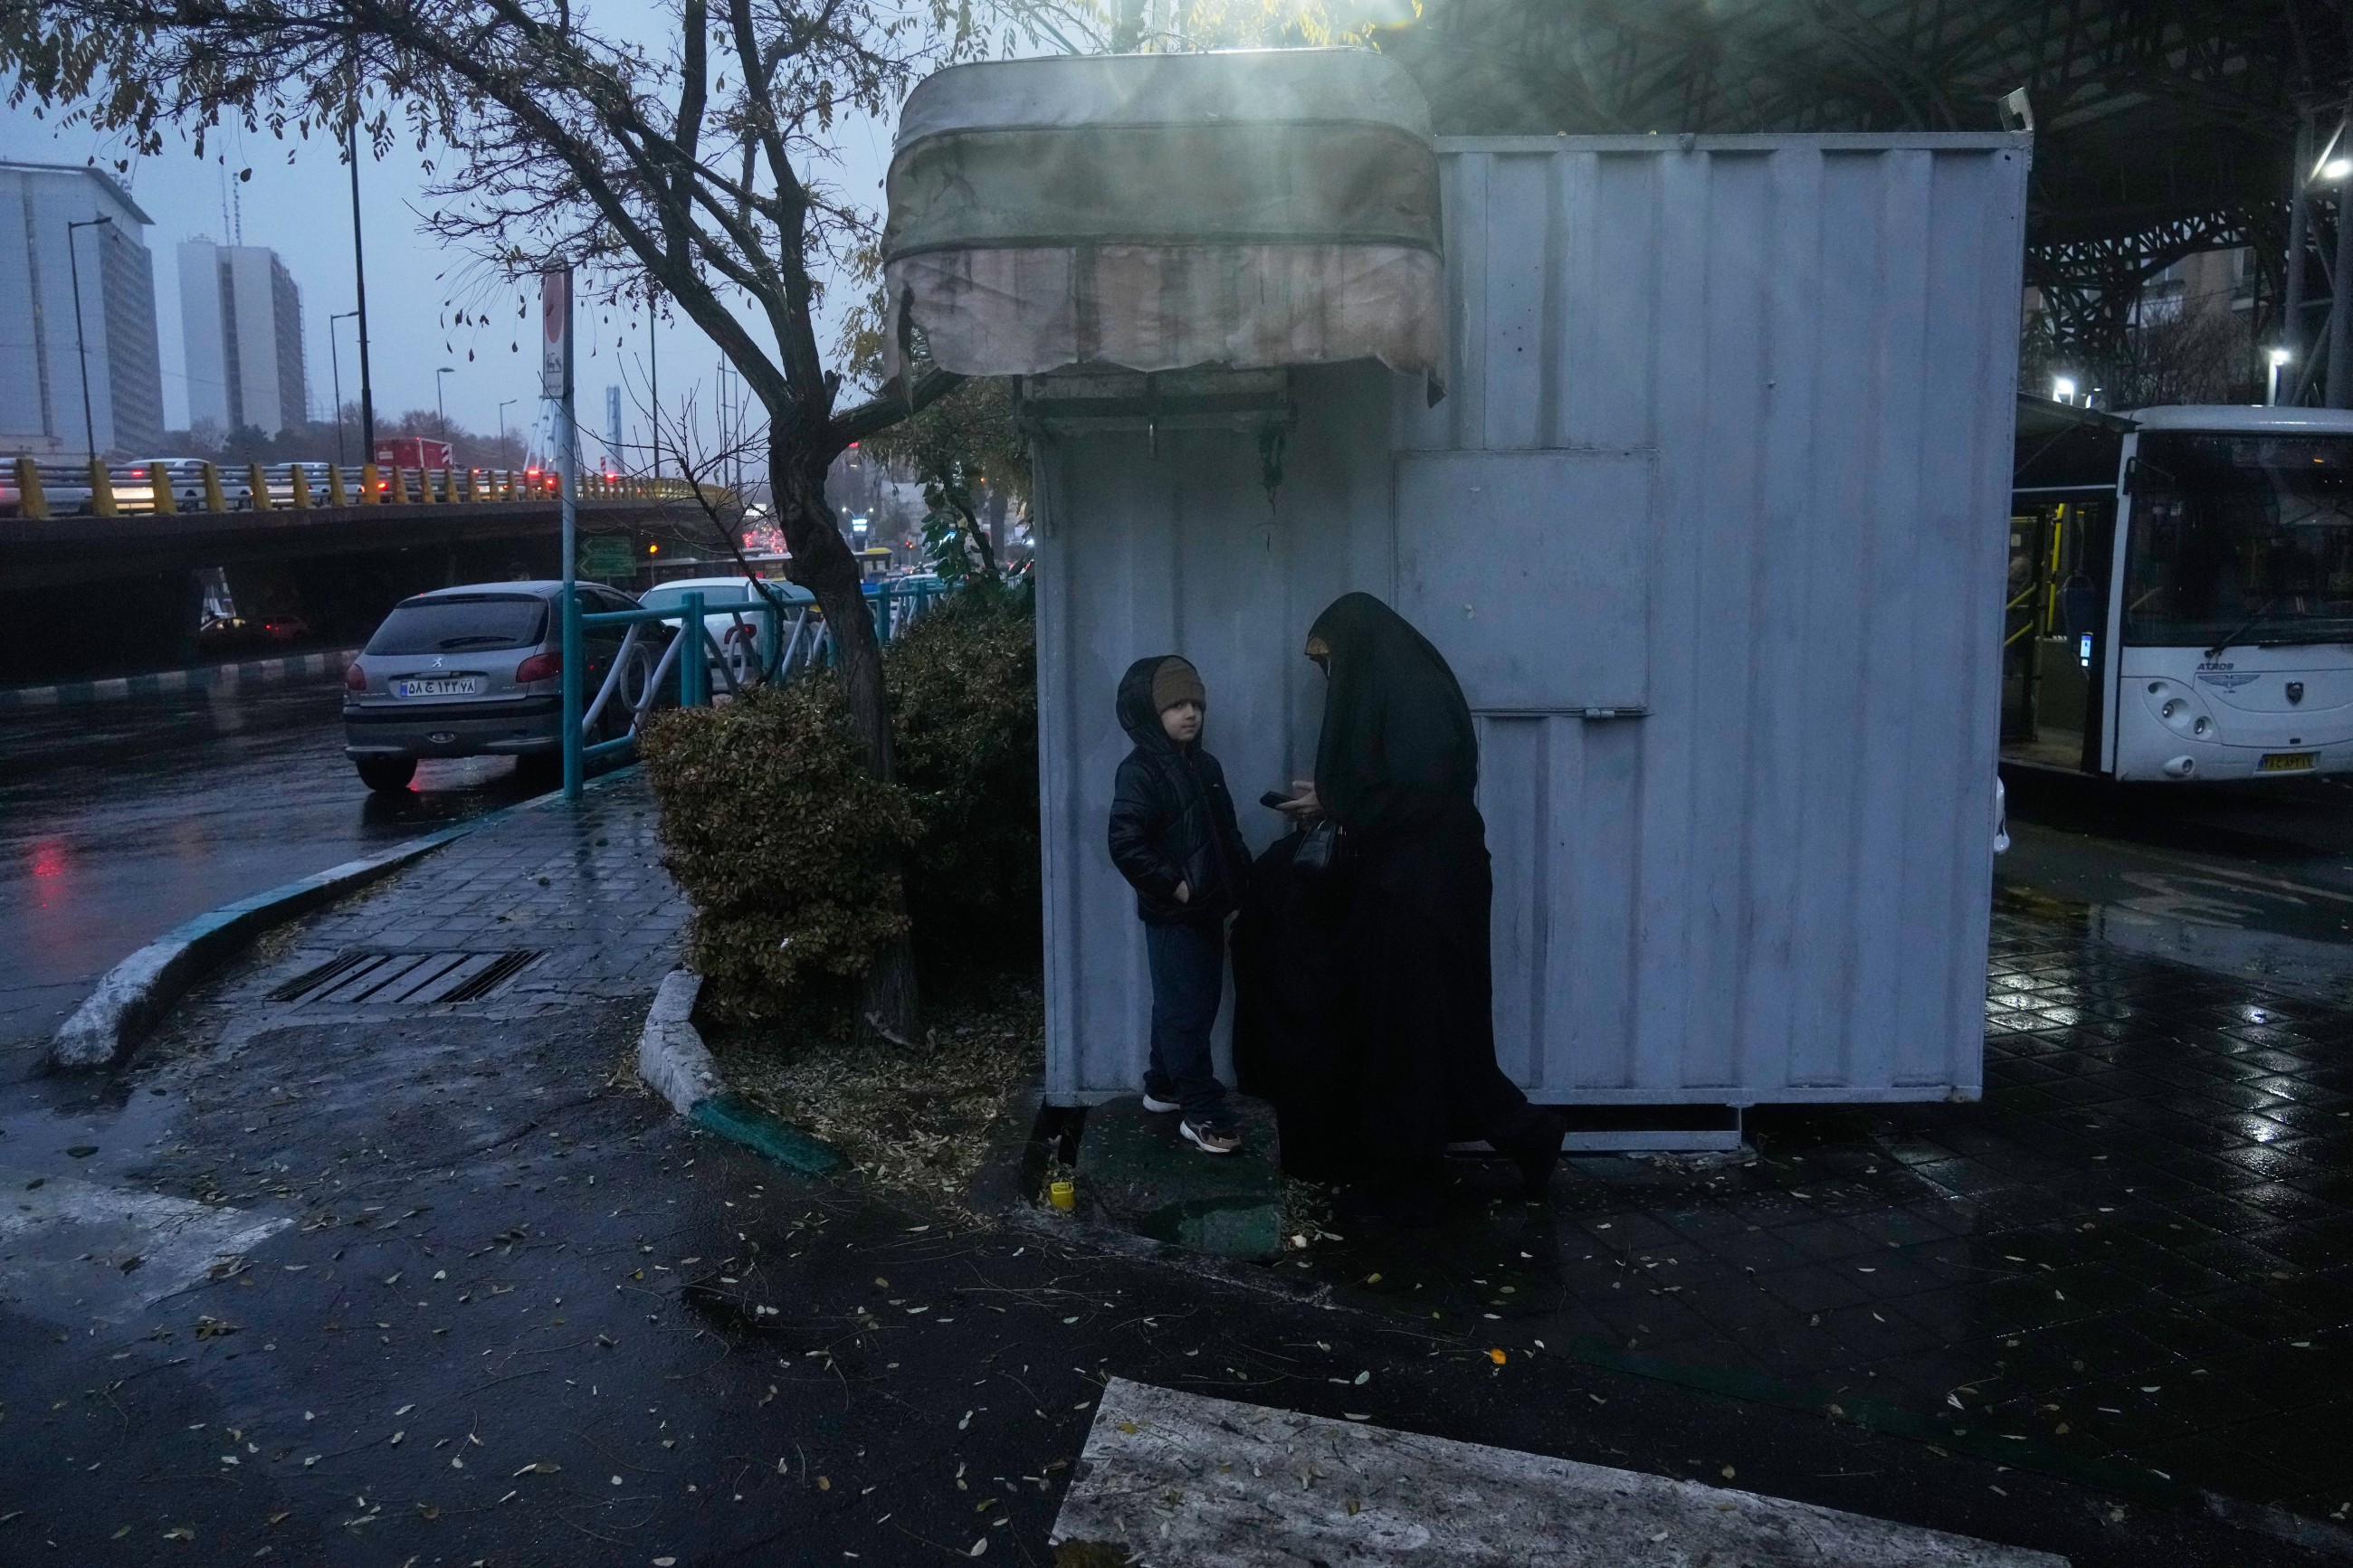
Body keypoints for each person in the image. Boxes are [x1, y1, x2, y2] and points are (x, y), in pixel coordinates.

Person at [1275, 592, 1567, 1222]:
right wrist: (1336, 798)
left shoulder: (1415, 697)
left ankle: (1421, 1173)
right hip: (1415, 884)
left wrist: (1338, 800)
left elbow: (1425, 793)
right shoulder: (1407, 686)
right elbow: (1395, 786)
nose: (1330, 677)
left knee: (1416, 1033)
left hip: (1427, 890)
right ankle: (1507, 1141)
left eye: (1331, 662)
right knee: (1431, 1031)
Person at [1108, 655, 1253, 1155]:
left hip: (1209, 909)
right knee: (1187, 1008)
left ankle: (1163, 1085)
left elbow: (1226, 831)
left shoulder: (1204, 765)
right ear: (1150, 713)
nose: (1190, 713)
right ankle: (1201, 1109)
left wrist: (1237, 884)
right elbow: (1125, 843)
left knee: (1183, 1000)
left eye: (1195, 703)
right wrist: (1176, 886)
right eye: (1175, 705)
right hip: (1174, 914)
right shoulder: (1140, 771)